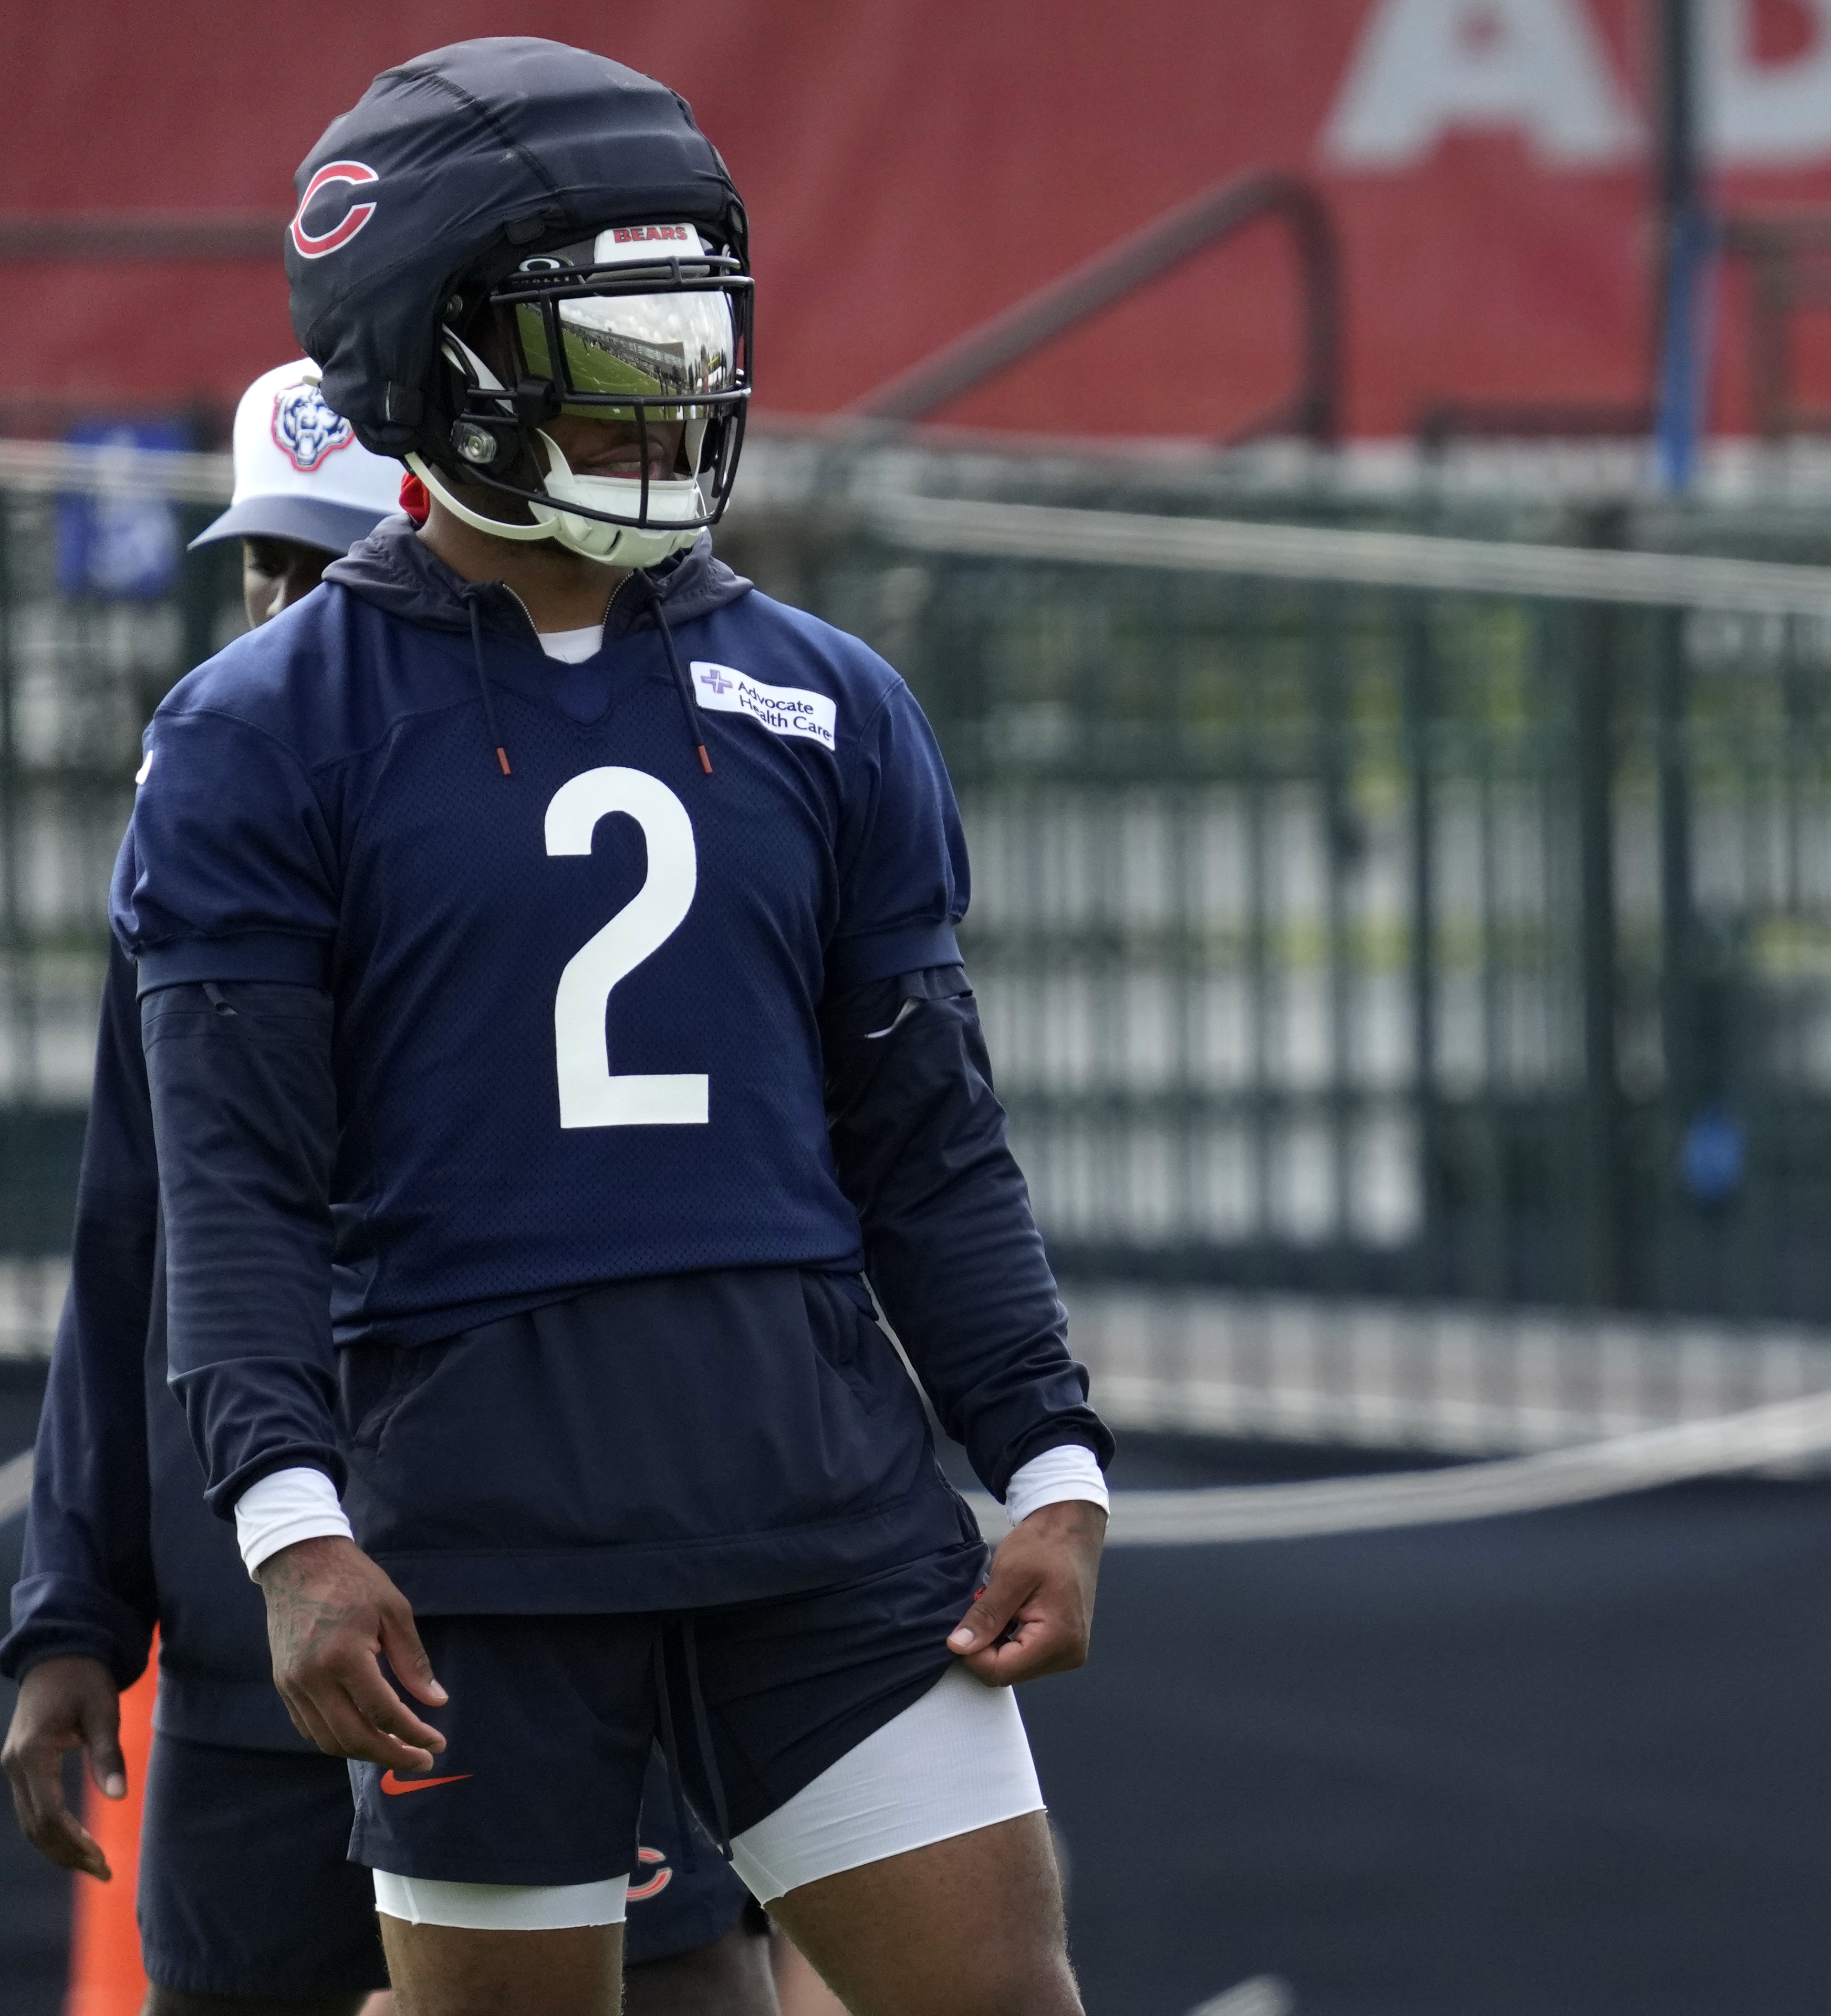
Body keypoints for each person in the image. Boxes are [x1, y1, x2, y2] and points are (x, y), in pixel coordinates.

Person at [118, 37, 1111, 2016]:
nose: (680, 391)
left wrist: (1049, 1453)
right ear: (430, 358)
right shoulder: (253, 738)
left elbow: (930, 1136)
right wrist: (293, 1529)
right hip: (475, 1542)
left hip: (816, 1504)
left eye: (695, 336)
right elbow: (229, 1196)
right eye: (610, 343)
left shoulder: (834, 700)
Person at [3, 359, 775, 2015]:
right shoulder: (206, 834)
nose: (286, 615)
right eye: (268, 571)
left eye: (331, 569)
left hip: (530, 1611)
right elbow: (134, 1239)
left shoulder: (570, 859)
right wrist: (70, 1610)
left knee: (685, 1993)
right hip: (247, 1648)